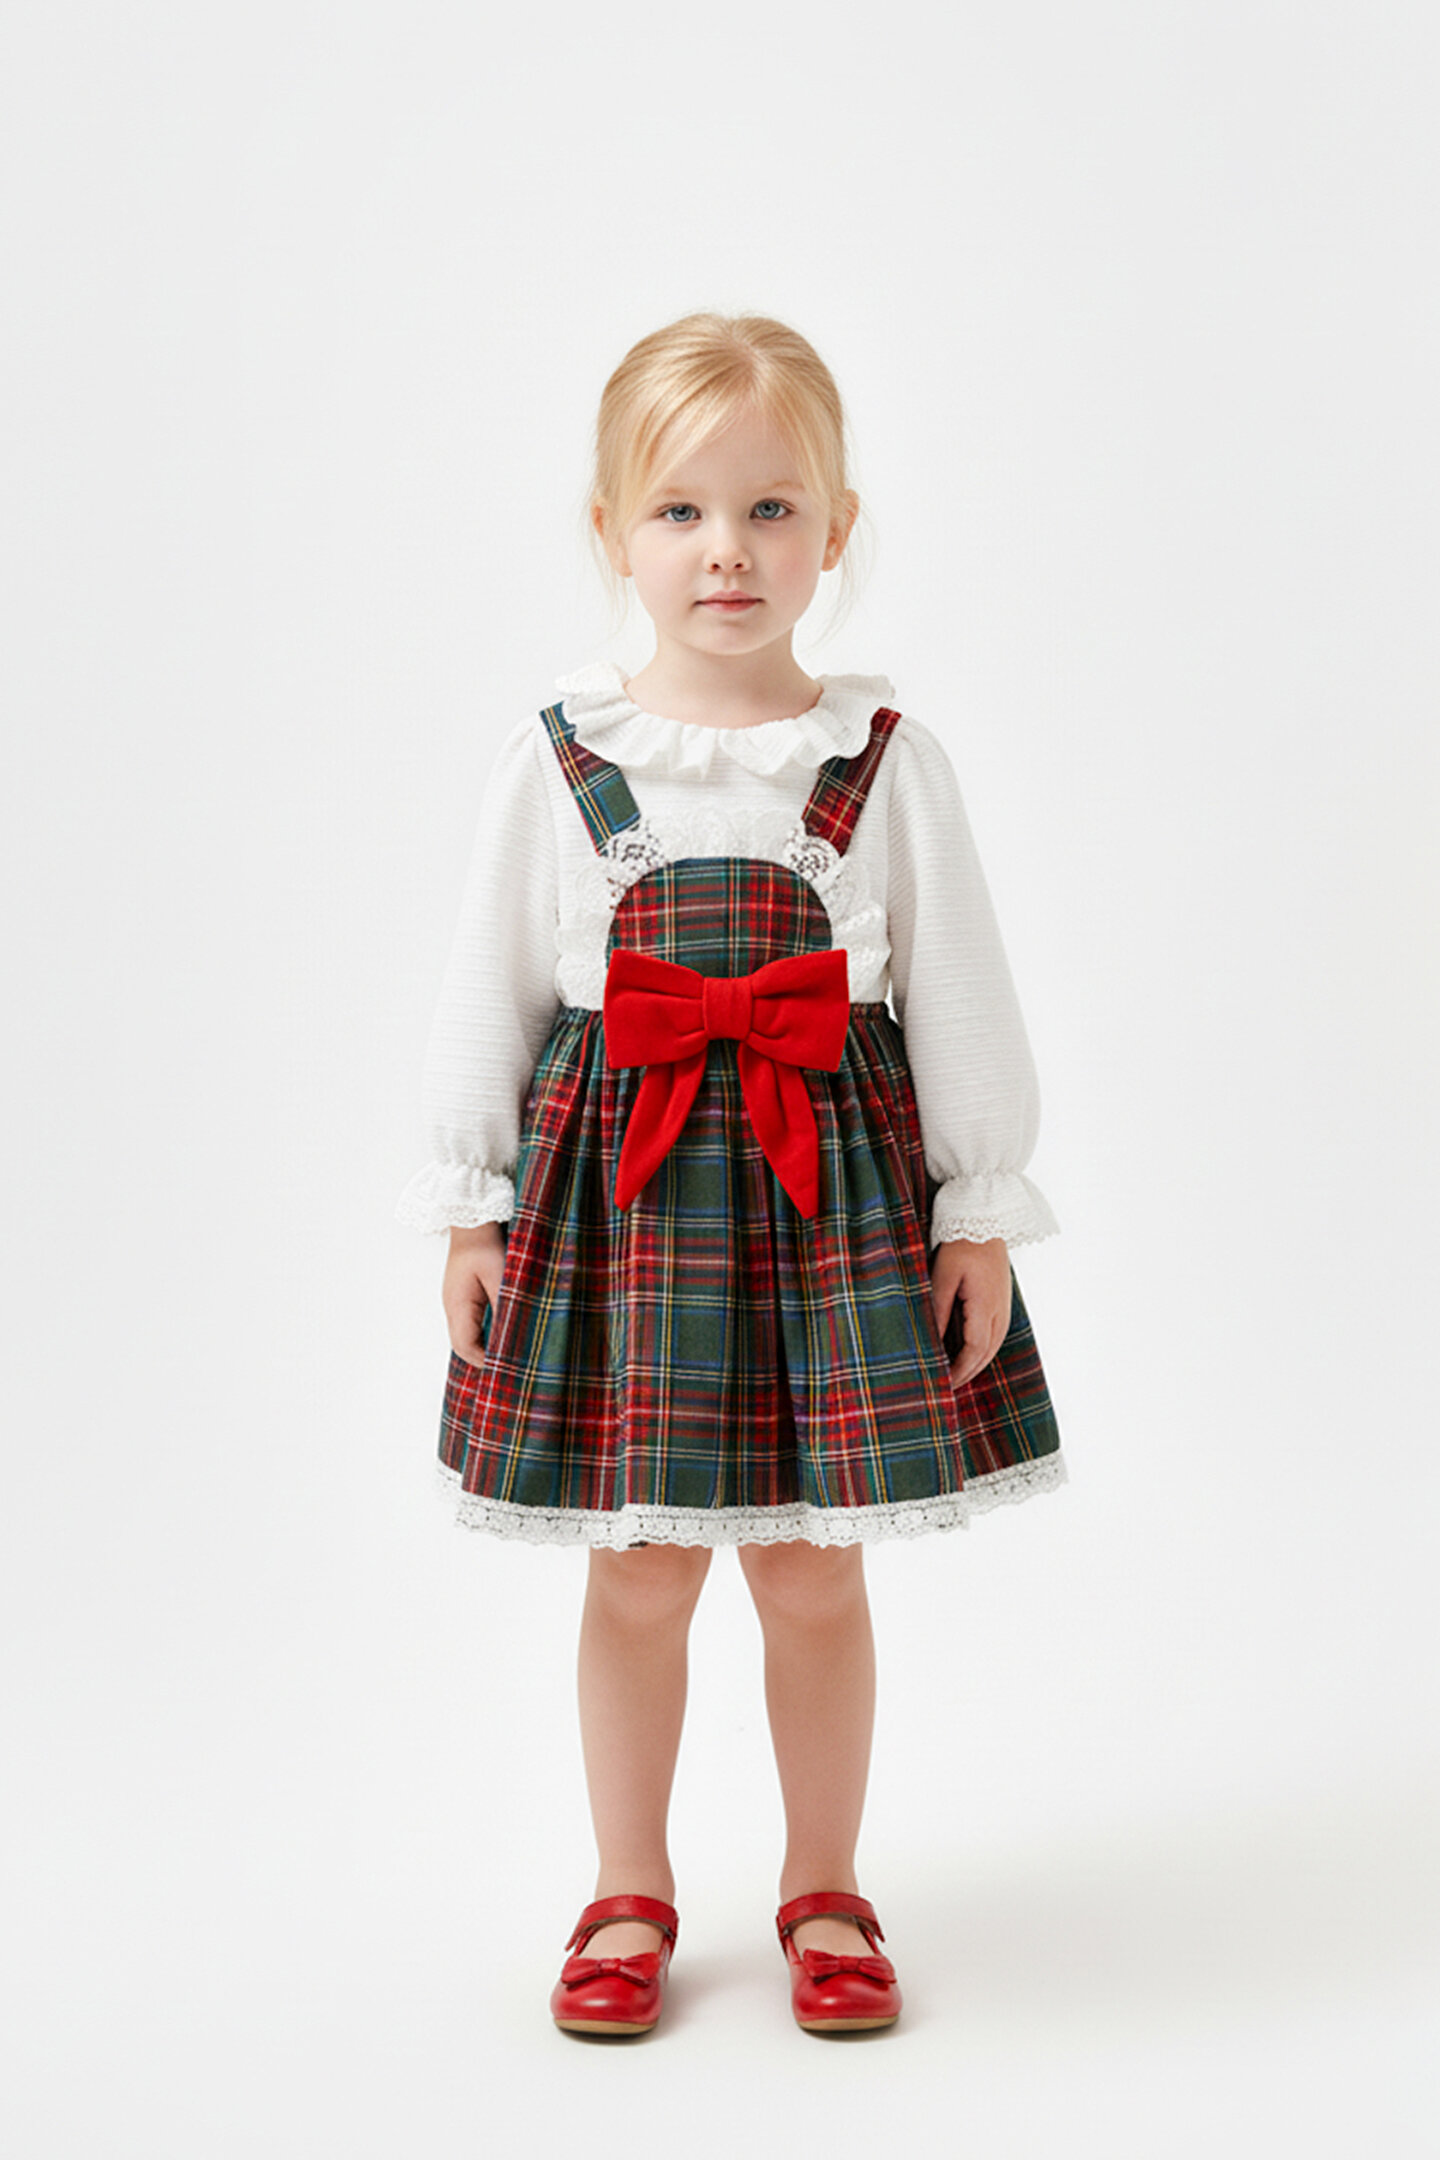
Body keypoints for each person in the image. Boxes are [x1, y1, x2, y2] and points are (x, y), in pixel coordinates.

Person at [398, 312, 1065, 2038]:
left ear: (835, 531)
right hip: (625, 1213)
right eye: (682, 511)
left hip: (828, 1208)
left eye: (773, 510)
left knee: (812, 1565)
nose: (729, 552)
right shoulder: (562, 759)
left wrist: (978, 1211)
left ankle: (824, 1884)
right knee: (637, 1564)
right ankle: (627, 1885)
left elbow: (961, 989)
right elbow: (489, 983)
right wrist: (471, 1203)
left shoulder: (882, 760)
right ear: (611, 530)